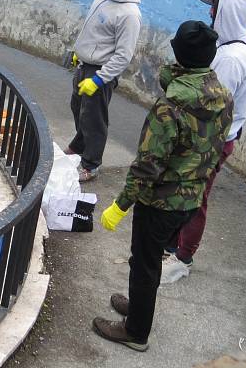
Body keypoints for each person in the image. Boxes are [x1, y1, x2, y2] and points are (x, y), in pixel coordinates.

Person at [92, 21, 233, 352]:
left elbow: (148, 164)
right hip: (192, 199)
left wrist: (121, 204)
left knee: (144, 262)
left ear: (179, 55)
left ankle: (136, 331)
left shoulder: (172, 104)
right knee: (151, 260)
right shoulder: (223, 96)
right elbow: (217, 146)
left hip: (161, 202)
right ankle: (140, 306)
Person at [160, 0, 246, 284]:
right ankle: (172, 244)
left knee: (195, 196)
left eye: (214, 7)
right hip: (220, 134)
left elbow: (209, 106)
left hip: (212, 139)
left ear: (226, 13)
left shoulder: (231, 59)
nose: (210, 12)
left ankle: (183, 257)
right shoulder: (242, 38)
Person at [66, 0, 142, 182]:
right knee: (77, 107)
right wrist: (78, 52)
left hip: (100, 71)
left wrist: (99, 79)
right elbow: (91, 28)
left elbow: (123, 55)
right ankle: (79, 145)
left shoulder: (129, 14)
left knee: (94, 119)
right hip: (85, 64)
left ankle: (91, 164)